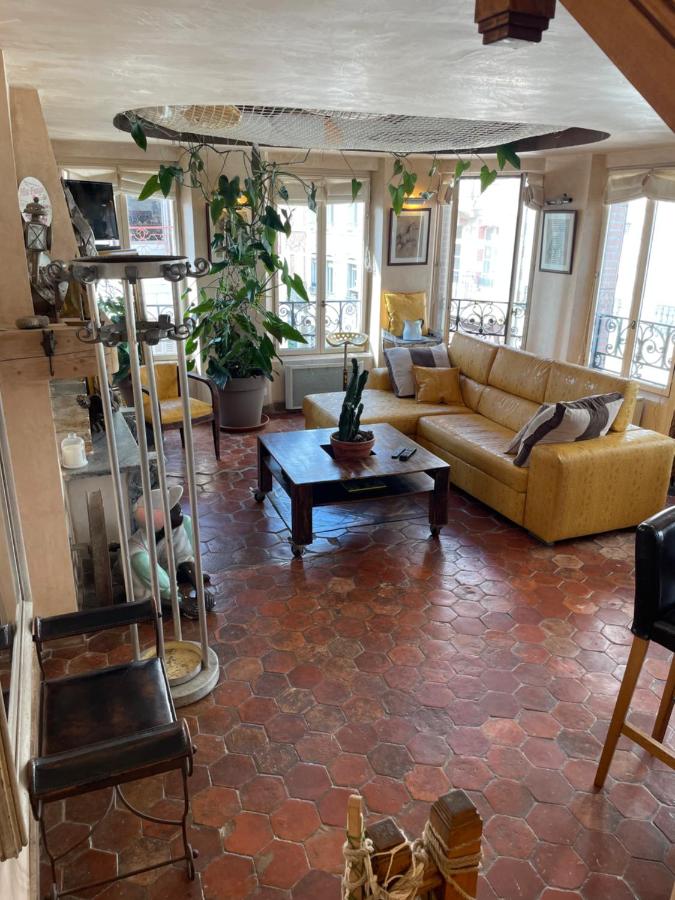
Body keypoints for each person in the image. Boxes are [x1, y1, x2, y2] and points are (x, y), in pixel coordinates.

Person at [128, 485, 215, 619]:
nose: (179, 508)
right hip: (147, 589)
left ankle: (184, 575)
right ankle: (175, 595)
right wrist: (181, 602)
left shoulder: (171, 529)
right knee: (142, 562)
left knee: (187, 521)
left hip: (164, 570)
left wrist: (200, 588)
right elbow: (149, 594)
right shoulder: (137, 552)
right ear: (159, 518)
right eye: (171, 507)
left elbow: (184, 556)